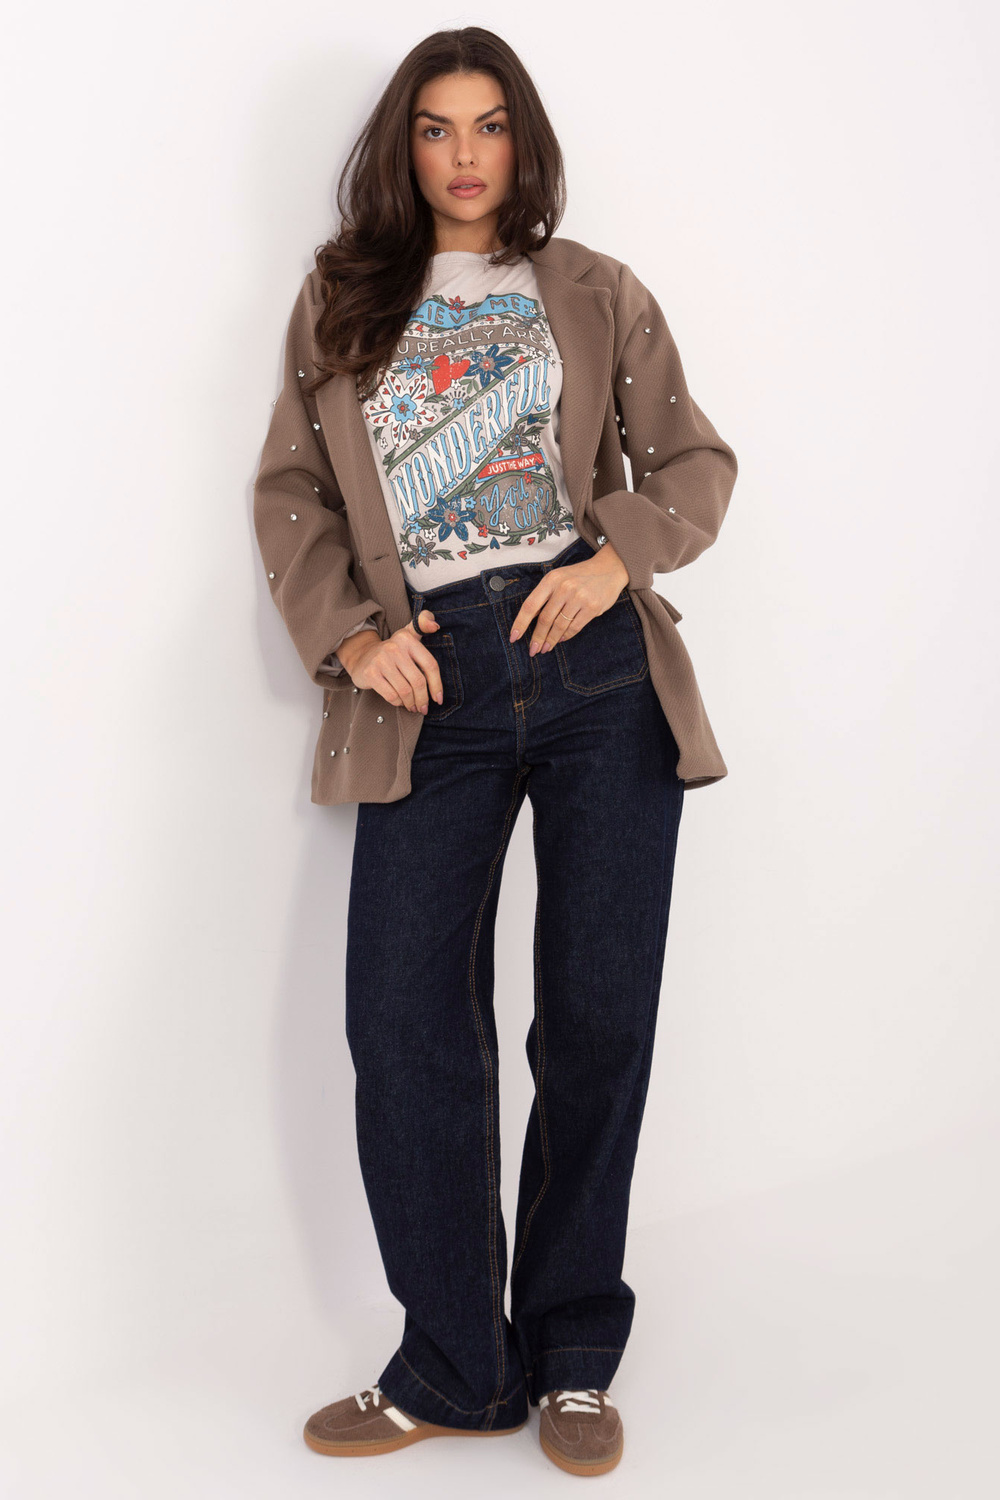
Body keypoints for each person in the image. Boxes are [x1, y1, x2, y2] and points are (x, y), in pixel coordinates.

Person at [252, 26, 738, 1479]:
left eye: (488, 126)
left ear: (522, 142)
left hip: (594, 671)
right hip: (428, 686)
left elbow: (695, 463)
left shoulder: (594, 290)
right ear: (401, 149)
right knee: (404, 1026)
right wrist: (352, 639)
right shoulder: (343, 298)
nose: (463, 156)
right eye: (434, 129)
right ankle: (457, 1365)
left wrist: (614, 558)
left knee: (596, 1018)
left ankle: (573, 1356)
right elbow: (291, 494)